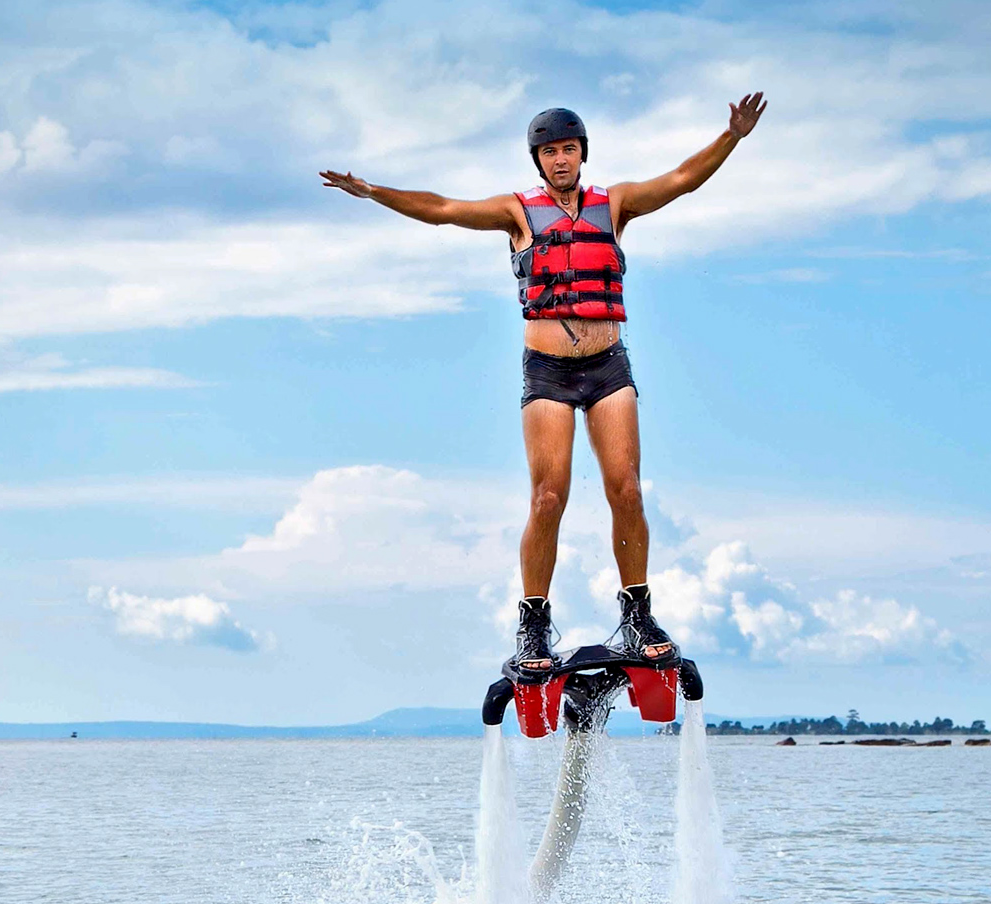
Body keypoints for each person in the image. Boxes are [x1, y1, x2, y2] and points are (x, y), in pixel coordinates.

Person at [322, 93, 767, 680]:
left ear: (583, 154)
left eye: (569, 149)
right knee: (547, 497)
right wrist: (375, 192)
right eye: (551, 152)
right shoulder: (517, 213)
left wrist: (730, 136)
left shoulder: (617, 204)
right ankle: (533, 624)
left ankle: (638, 615)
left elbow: (683, 179)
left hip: (609, 365)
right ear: (538, 161)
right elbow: (442, 208)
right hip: (549, 370)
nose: (561, 160)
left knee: (626, 489)